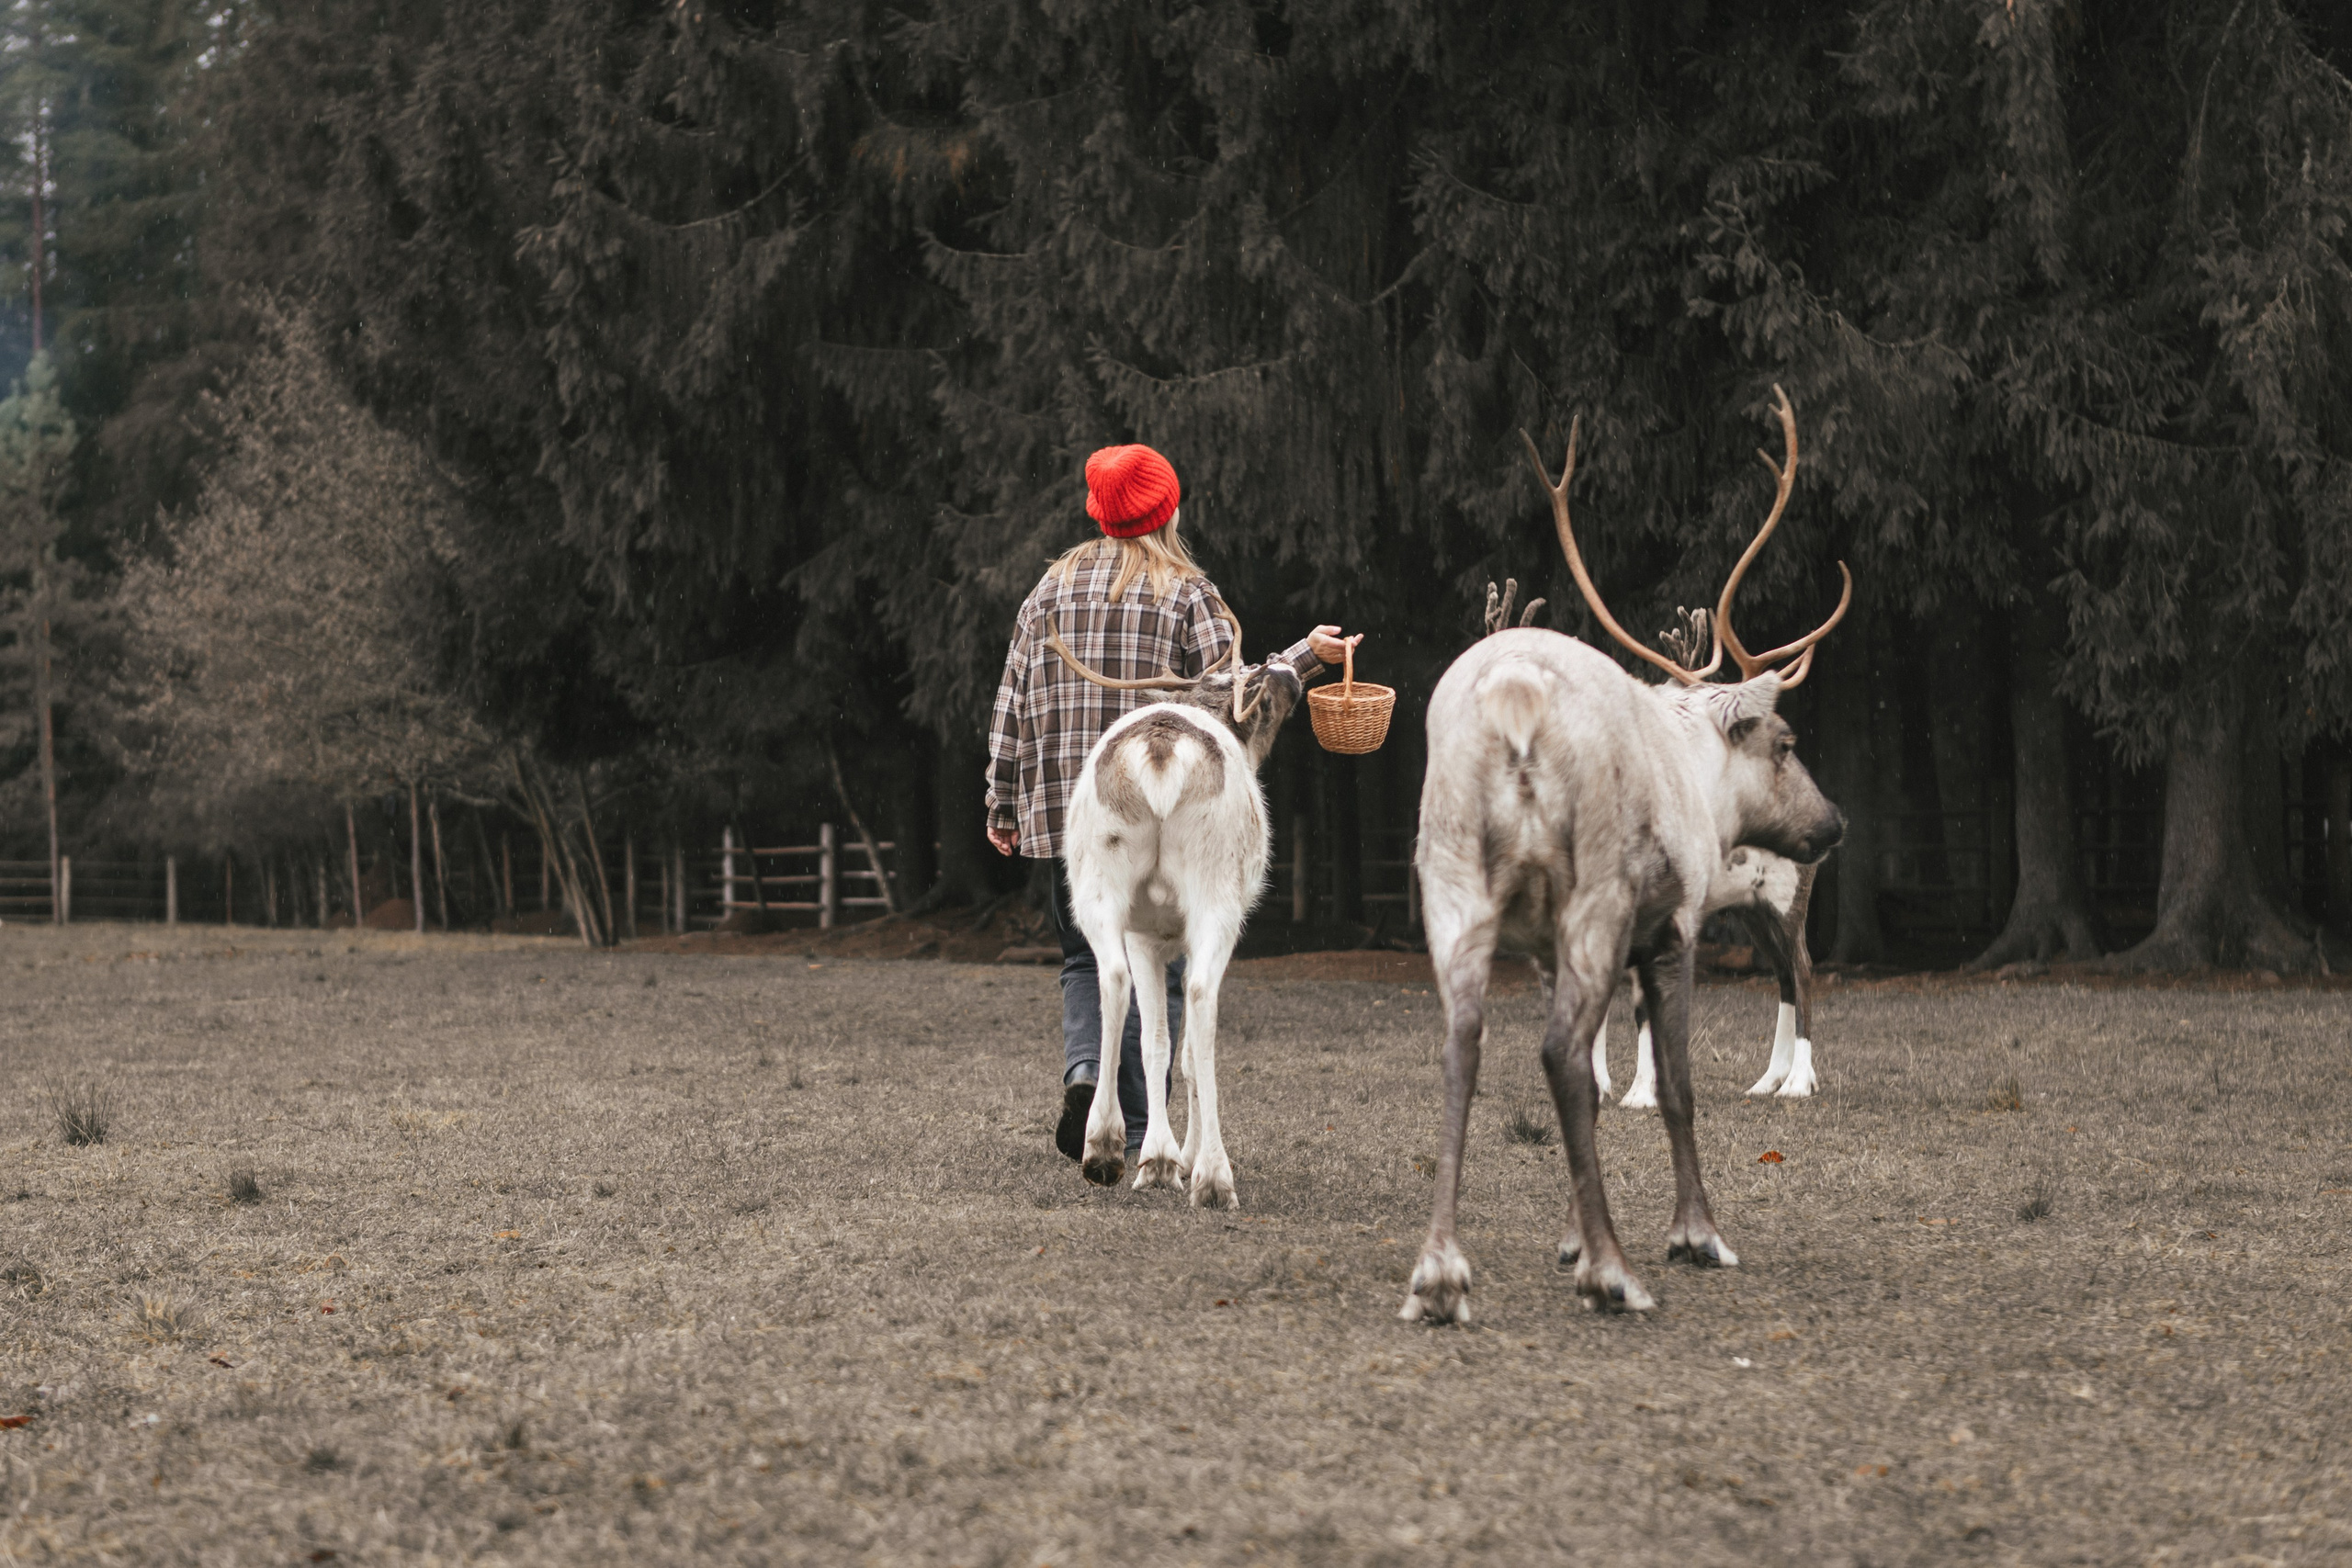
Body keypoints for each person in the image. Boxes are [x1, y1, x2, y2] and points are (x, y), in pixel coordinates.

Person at [986, 443, 1357, 1166]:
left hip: (1078, 814)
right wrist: (1306, 656)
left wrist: (1003, 801)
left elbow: (1013, 701)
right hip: (1176, 805)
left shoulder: (1046, 595)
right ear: (1167, 512)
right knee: (1167, 956)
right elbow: (1237, 700)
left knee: (1088, 956)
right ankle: (1137, 1120)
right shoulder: (1188, 594)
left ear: (1098, 512)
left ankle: (1088, 1075)